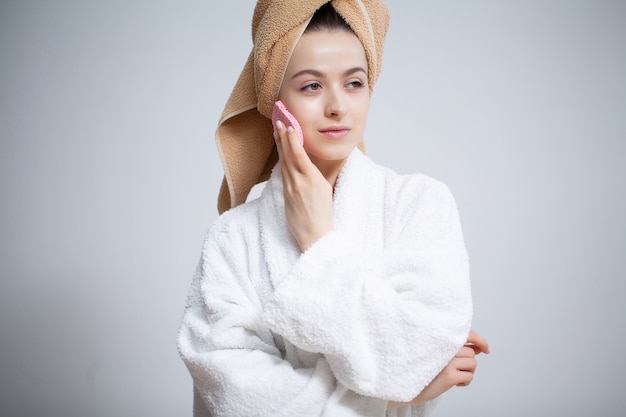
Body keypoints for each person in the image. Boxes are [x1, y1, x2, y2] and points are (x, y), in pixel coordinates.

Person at [177, 1, 489, 416]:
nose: (338, 106)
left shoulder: (419, 204)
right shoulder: (232, 238)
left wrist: (318, 240)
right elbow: (235, 399)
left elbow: (423, 351)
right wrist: (392, 393)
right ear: (274, 102)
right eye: (311, 86)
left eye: (354, 83)